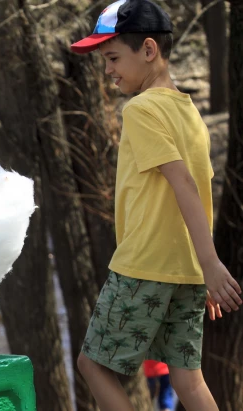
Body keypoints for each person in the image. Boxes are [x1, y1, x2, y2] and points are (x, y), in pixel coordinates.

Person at [70, 1, 242, 410]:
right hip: (185, 268)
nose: (108, 70)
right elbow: (199, 189)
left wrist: (212, 262)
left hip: (144, 263)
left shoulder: (142, 109)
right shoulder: (189, 111)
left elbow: (182, 182)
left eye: (112, 57)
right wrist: (203, 264)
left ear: (148, 50)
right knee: (187, 379)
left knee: (92, 365)